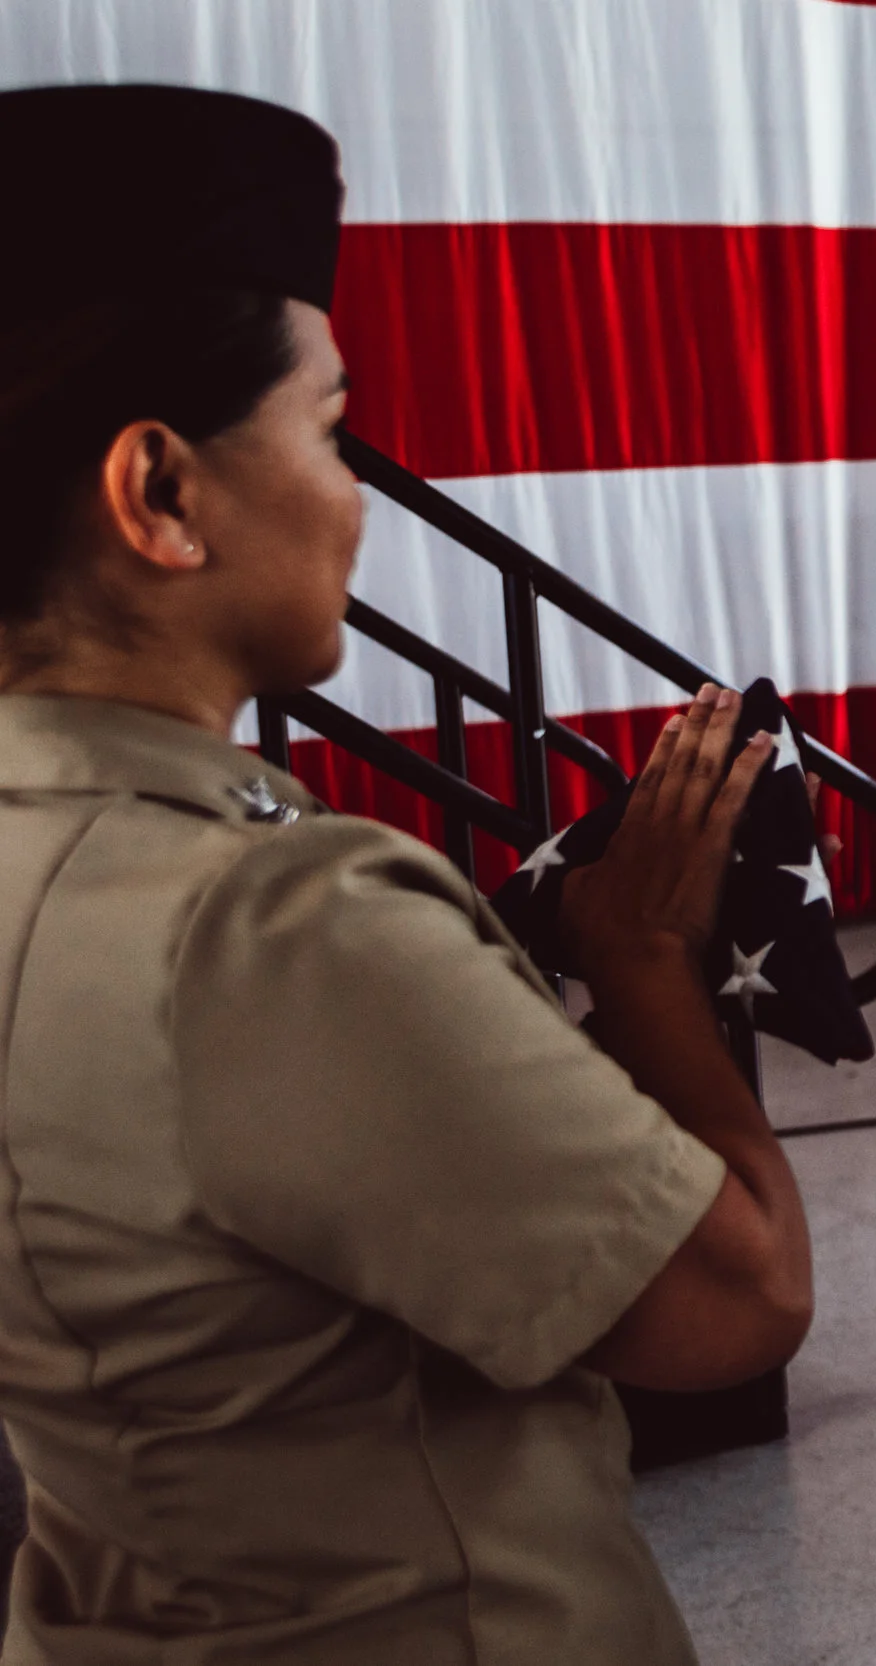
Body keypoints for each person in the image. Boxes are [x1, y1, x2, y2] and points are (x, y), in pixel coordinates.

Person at [0, 85, 813, 1662]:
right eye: (325, 428)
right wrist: (644, 960)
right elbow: (739, 1299)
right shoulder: (271, 926)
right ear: (161, 492)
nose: (356, 497)